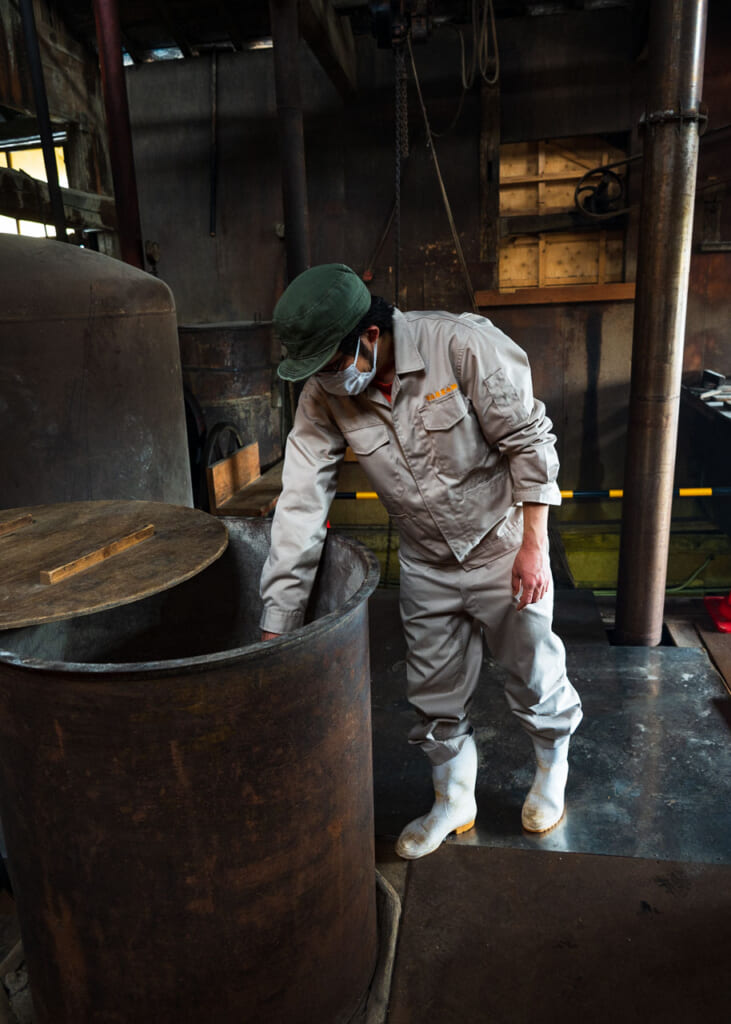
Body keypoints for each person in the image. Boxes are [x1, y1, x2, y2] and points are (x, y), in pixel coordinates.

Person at [259, 263, 582, 860]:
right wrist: (278, 618)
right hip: (426, 561)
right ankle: (453, 800)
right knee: (433, 693)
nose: (329, 379)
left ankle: (551, 769)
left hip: (501, 546)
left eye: (333, 363)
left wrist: (534, 547)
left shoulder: (460, 345)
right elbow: (301, 499)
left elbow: (529, 441)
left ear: (370, 336)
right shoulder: (325, 392)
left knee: (534, 674)